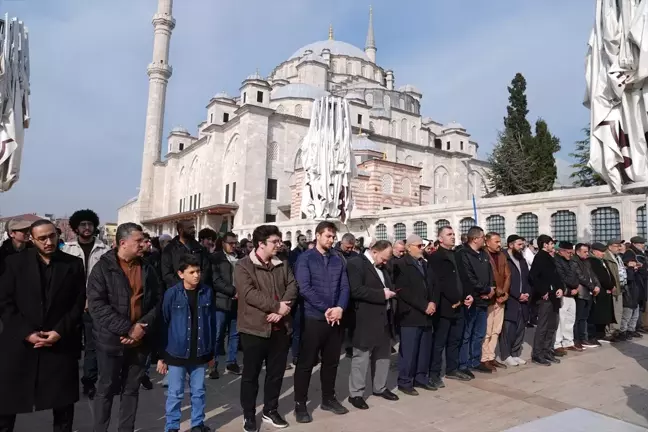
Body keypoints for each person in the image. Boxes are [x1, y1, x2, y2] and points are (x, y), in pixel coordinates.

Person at [0, 220, 86, 432]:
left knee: (63, 407)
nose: (49, 242)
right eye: (42, 238)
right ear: (32, 239)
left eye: (52, 236)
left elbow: (78, 302)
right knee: (7, 405)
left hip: (59, 343)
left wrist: (59, 331)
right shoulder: (13, 263)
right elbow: (4, 303)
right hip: (21, 344)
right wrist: (26, 333)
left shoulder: (73, 264)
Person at [87, 223, 163, 432]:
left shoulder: (147, 268)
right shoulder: (103, 268)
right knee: (106, 389)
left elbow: (157, 301)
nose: (144, 244)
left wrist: (141, 328)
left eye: (144, 240)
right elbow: (97, 306)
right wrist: (128, 329)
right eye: (139, 241)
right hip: (111, 341)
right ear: (123, 243)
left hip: (140, 340)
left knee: (131, 390)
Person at [235, 224, 297, 432]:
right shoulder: (243, 265)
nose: (279, 245)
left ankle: (271, 410)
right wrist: (275, 306)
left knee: (276, 374)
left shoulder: (282, 263)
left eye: (279, 241)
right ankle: (248, 415)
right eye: (274, 242)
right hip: (254, 328)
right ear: (261, 244)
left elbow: (292, 287)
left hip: (280, 328)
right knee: (251, 376)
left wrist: (282, 310)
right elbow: (248, 293)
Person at [294, 221, 350, 423]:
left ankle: (329, 398)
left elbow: (345, 286)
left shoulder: (337, 258)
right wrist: (326, 308)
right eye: (328, 236)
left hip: (335, 319)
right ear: (317, 235)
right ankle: (300, 404)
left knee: (332, 361)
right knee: (306, 363)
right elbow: (305, 288)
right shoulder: (305, 259)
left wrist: (340, 308)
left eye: (333, 236)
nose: (331, 240)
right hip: (313, 318)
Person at [157, 254, 215, 432]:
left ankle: (197, 424)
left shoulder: (207, 292)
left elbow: (211, 323)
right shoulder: (172, 294)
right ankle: (172, 427)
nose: (197, 275)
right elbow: (163, 323)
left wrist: (211, 353)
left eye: (198, 271)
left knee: (199, 392)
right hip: (176, 353)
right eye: (192, 272)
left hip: (200, 351)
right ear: (181, 274)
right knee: (175, 394)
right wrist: (162, 356)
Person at [62, 209, 110, 398]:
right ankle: (67, 380)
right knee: (70, 344)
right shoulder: (67, 249)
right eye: (83, 224)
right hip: (71, 304)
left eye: (90, 224)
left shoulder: (104, 250)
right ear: (76, 227)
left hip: (95, 305)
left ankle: (89, 381)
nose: (87, 228)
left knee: (92, 345)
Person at [346, 240, 399, 410]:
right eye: (384, 259)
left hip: (384, 317)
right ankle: (356, 394)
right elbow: (355, 290)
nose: (385, 262)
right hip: (365, 319)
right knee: (361, 357)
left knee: (383, 355)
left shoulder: (382, 267)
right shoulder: (356, 264)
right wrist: (381, 294)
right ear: (374, 252)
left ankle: (380, 387)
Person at [428, 226, 474, 388]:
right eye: (449, 235)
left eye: (453, 234)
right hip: (445, 306)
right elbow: (439, 283)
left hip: (460, 305)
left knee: (455, 339)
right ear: (440, 239)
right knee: (439, 341)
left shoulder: (456, 255)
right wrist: (454, 298)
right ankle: (433, 373)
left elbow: (463, 278)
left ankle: (452, 368)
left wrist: (468, 295)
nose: (453, 237)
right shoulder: (436, 257)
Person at [393, 234, 438, 394]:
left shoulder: (425, 264)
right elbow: (403, 291)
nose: (422, 249)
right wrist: (423, 305)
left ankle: (421, 377)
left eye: (422, 246)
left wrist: (433, 302)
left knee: (424, 349)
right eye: (419, 246)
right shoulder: (401, 264)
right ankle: (405, 381)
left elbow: (433, 285)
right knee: (409, 351)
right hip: (411, 314)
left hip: (427, 314)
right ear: (409, 247)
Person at [457, 226, 494, 374]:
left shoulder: (483, 254)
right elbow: (468, 277)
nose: (484, 240)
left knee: (479, 333)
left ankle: (475, 360)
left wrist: (491, 289)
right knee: (467, 334)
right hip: (472, 299)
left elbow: (490, 273)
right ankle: (463, 363)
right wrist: (483, 290)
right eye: (482, 237)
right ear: (475, 239)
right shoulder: (463, 254)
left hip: (484, 300)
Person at [209, 232, 241, 379]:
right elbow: (216, 280)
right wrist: (232, 291)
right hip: (221, 301)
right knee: (217, 335)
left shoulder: (240, 257)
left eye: (235, 243)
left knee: (234, 334)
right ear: (223, 243)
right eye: (231, 243)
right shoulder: (216, 258)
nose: (234, 246)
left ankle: (231, 361)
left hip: (238, 302)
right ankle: (213, 364)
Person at [529, 235, 564, 366]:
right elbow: (533, 277)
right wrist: (543, 291)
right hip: (545, 298)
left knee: (552, 326)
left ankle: (548, 350)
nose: (552, 246)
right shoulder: (539, 258)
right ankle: (538, 354)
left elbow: (556, 276)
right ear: (544, 245)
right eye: (550, 243)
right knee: (542, 326)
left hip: (555, 297)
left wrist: (560, 287)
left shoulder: (550, 258)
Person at [500, 235, 530, 366]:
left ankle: (515, 353)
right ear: (511, 245)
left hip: (523, 299)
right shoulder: (504, 258)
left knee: (520, 328)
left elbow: (527, 278)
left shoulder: (521, 259)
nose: (522, 246)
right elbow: (504, 281)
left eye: (522, 244)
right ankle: (506, 355)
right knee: (509, 329)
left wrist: (527, 293)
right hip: (511, 299)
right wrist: (517, 294)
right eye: (519, 244)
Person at [482, 232, 510, 370]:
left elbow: (507, 274)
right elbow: (488, 276)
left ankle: (491, 356)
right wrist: (498, 291)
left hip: (501, 298)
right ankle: (484, 357)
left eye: (500, 241)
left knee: (496, 330)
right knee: (487, 329)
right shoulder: (483, 255)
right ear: (487, 242)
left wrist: (504, 292)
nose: (499, 244)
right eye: (496, 242)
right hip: (490, 297)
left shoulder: (502, 255)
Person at [161, 220, 212, 289]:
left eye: (193, 227)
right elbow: (167, 274)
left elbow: (206, 269)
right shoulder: (170, 249)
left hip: (198, 291)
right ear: (181, 230)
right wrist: (184, 285)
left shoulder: (199, 248)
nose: (193, 230)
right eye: (190, 228)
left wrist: (196, 284)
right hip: (178, 292)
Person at [572, 243, 601, 349]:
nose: (587, 253)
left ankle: (584, 337)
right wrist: (592, 287)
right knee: (578, 318)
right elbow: (580, 277)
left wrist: (597, 285)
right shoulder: (574, 261)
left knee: (584, 317)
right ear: (578, 251)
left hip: (589, 293)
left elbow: (593, 275)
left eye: (588, 251)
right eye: (584, 251)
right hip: (581, 292)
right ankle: (576, 339)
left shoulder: (587, 262)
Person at [553, 242, 580, 353]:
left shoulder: (571, 261)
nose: (570, 254)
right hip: (563, 293)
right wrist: (569, 289)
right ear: (562, 251)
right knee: (561, 319)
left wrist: (577, 287)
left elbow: (576, 274)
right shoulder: (557, 261)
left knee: (570, 319)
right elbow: (562, 277)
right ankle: (557, 343)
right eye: (569, 252)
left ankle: (568, 341)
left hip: (572, 293)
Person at [588, 243, 618, 342]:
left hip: (607, 291)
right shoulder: (593, 261)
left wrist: (613, 285)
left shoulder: (601, 261)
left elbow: (609, 274)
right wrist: (609, 285)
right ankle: (596, 334)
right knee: (599, 314)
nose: (603, 254)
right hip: (600, 291)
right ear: (594, 251)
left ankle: (602, 333)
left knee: (605, 314)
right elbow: (601, 276)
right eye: (601, 252)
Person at [627, 236, 648, 333]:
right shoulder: (631, 252)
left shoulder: (640, 253)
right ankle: (634, 327)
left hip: (642, 281)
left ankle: (638, 325)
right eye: (641, 243)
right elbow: (628, 265)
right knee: (636, 304)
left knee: (640, 304)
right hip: (636, 282)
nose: (643, 245)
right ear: (635, 244)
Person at [620, 254, 643, 340]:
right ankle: (623, 331)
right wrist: (630, 268)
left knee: (635, 315)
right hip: (628, 296)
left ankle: (631, 329)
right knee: (626, 315)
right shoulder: (625, 271)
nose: (634, 264)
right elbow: (629, 279)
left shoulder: (636, 271)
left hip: (636, 296)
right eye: (632, 262)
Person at [604, 239, 624, 338]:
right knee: (613, 311)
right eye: (616, 246)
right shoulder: (606, 257)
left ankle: (616, 330)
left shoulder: (618, 257)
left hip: (620, 287)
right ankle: (610, 332)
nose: (619, 248)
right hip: (613, 288)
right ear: (610, 246)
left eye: (619, 246)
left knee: (618, 310)